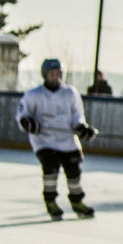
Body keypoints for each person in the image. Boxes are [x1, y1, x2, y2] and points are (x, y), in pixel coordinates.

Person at [15, 57, 98, 220]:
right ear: (45, 75)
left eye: (57, 73)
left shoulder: (70, 93)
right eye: (51, 73)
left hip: (67, 140)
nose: (54, 76)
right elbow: (22, 114)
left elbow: (77, 114)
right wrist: (28, 123)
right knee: (51, 168)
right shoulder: (33, 95)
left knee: (74, 172)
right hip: (44, 140)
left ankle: (77, 201)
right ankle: (50, 201)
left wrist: (81, 127)